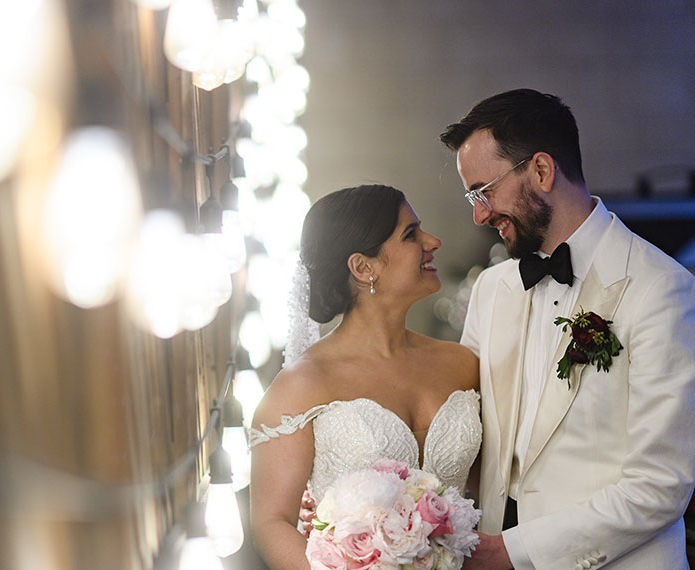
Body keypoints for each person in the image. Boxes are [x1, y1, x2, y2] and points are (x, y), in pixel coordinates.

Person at [440, 88, 695, 569]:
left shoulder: (661, 288)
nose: (478, 214)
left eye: (483, 191)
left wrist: (514, 553)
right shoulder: (492, 289)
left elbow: (660, 484)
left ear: (540, 170)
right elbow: (464, 432)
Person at [248, 184, 481, 570]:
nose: (433, 241)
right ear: (363, 267)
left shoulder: (460, 363)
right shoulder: (303, 384)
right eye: (411, 234)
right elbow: (272, 523)